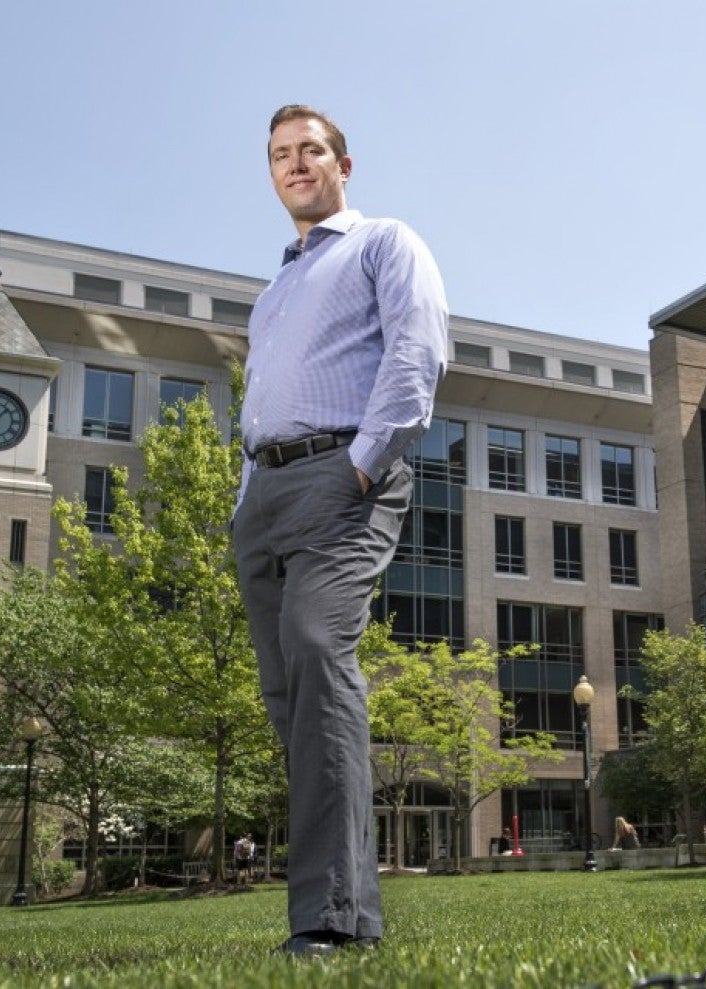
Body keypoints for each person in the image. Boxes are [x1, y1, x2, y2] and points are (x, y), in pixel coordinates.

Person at [233, 104, 447, 958]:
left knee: (320, 652)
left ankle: (327, 916)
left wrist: (362, 460)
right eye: (280, 155)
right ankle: (347, 904)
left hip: (342, 478)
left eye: (310, 151)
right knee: (291, 697)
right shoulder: (275, 287)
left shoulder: (385, 241)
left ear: (342, 165)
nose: (295, 165)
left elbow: (417, 350)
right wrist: (246, 494)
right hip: (265, 496)